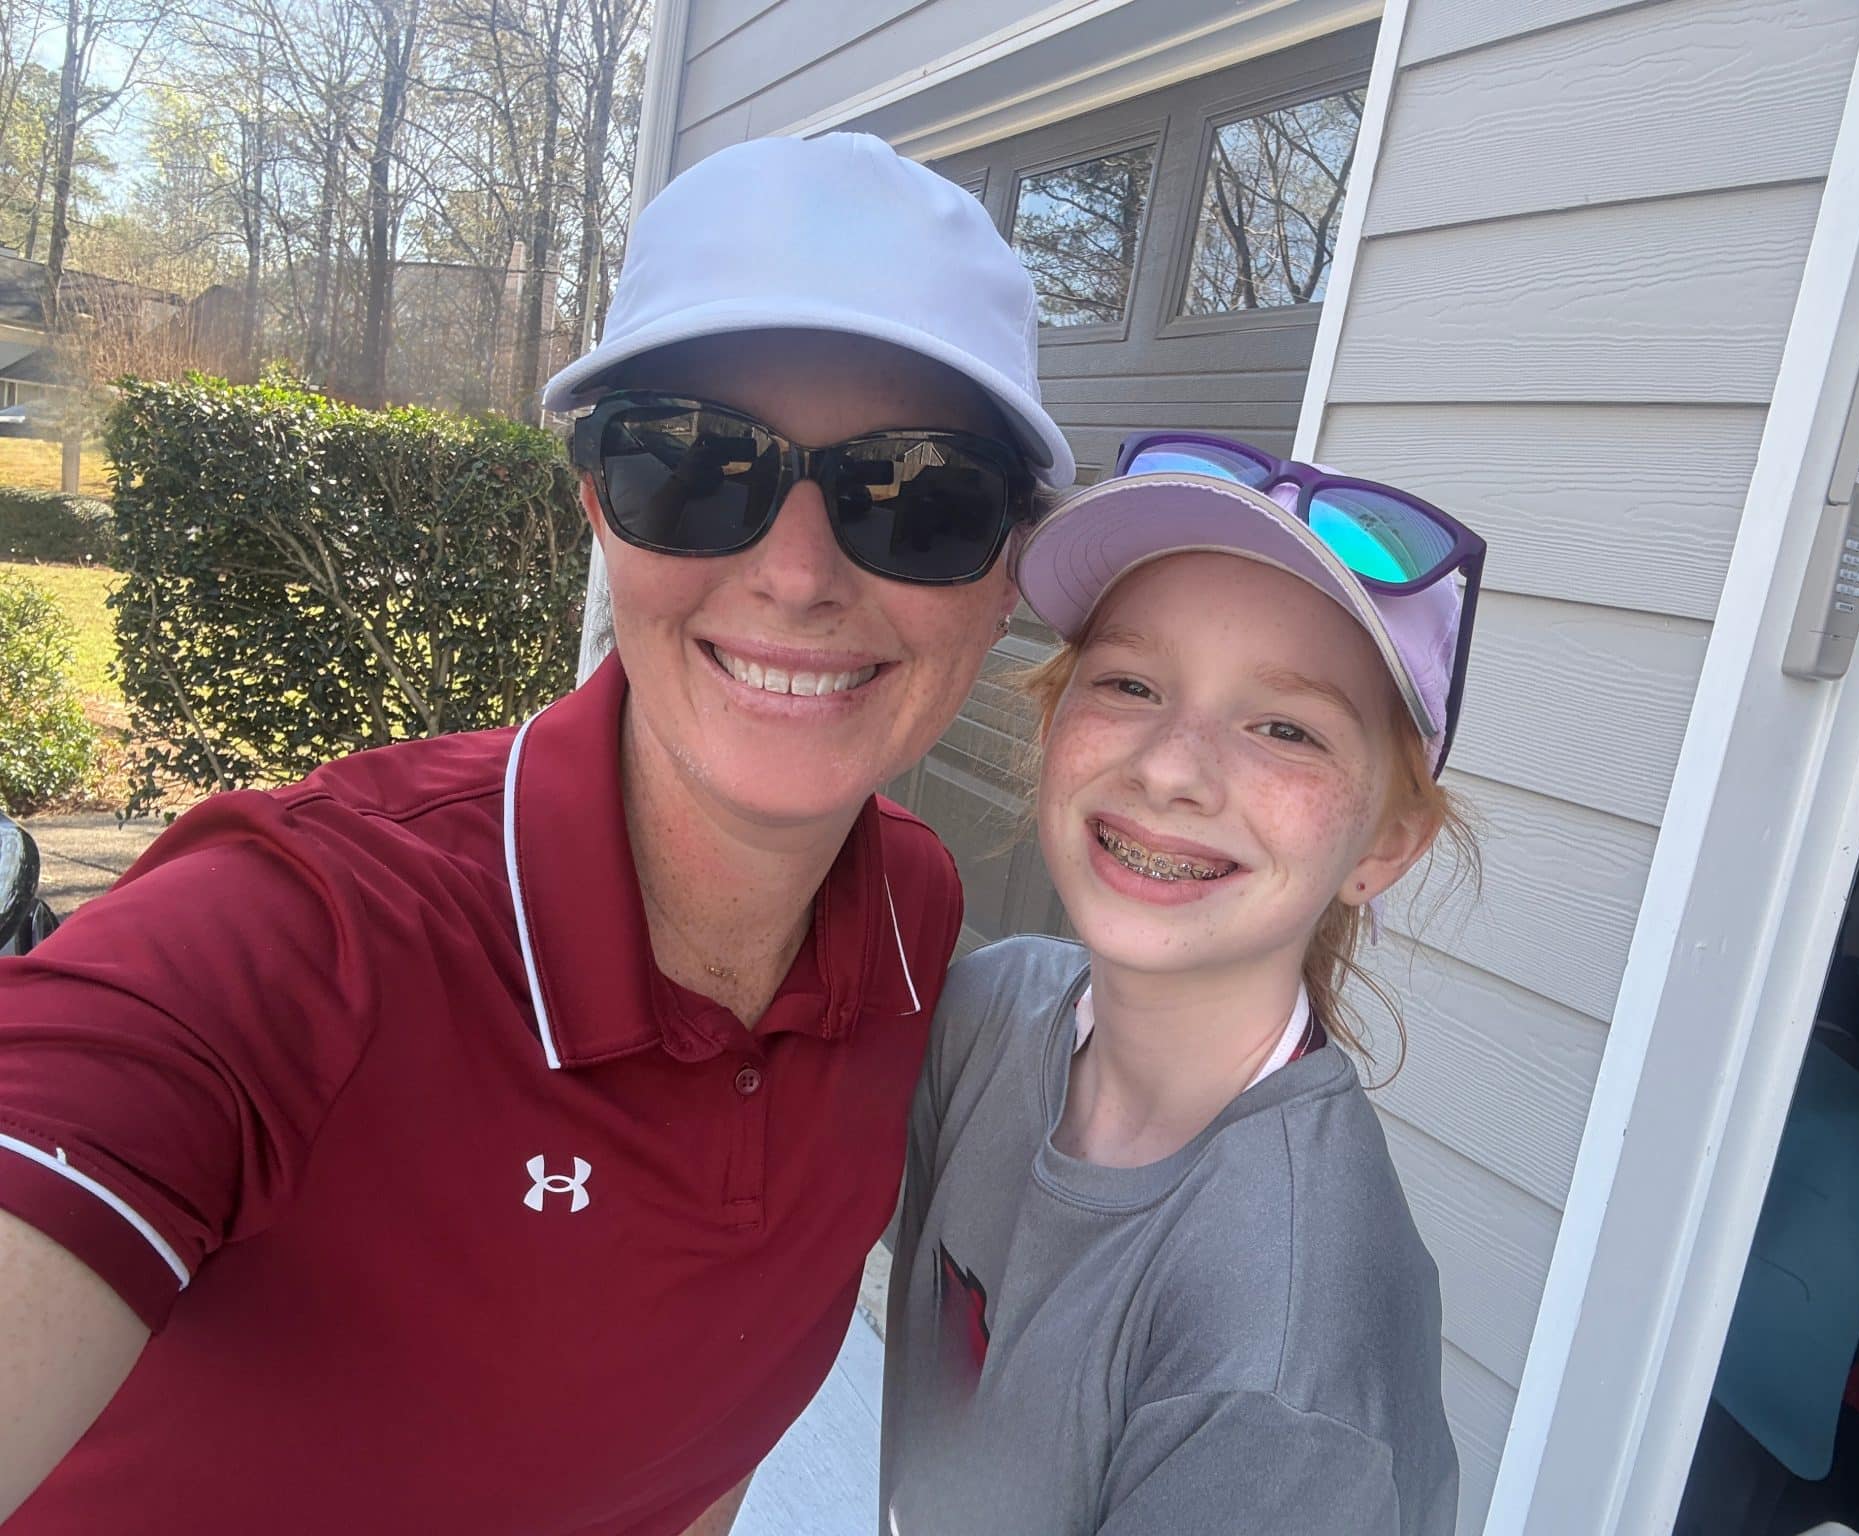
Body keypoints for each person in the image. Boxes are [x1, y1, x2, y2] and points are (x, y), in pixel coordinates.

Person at [0, 131, 1073, 1534]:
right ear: (596, 510)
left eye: (922, 497)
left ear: (1007, 582)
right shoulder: (298, 932)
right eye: (694, 467)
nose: (799, 574)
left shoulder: (908, 919)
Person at [878, 433, 1483, 1535]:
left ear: (1384, 845)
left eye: (1284, 728)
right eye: (1129, 682)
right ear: (1051, 723)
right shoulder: (993, 1012)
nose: (1167, 766)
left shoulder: (1282, 1365)